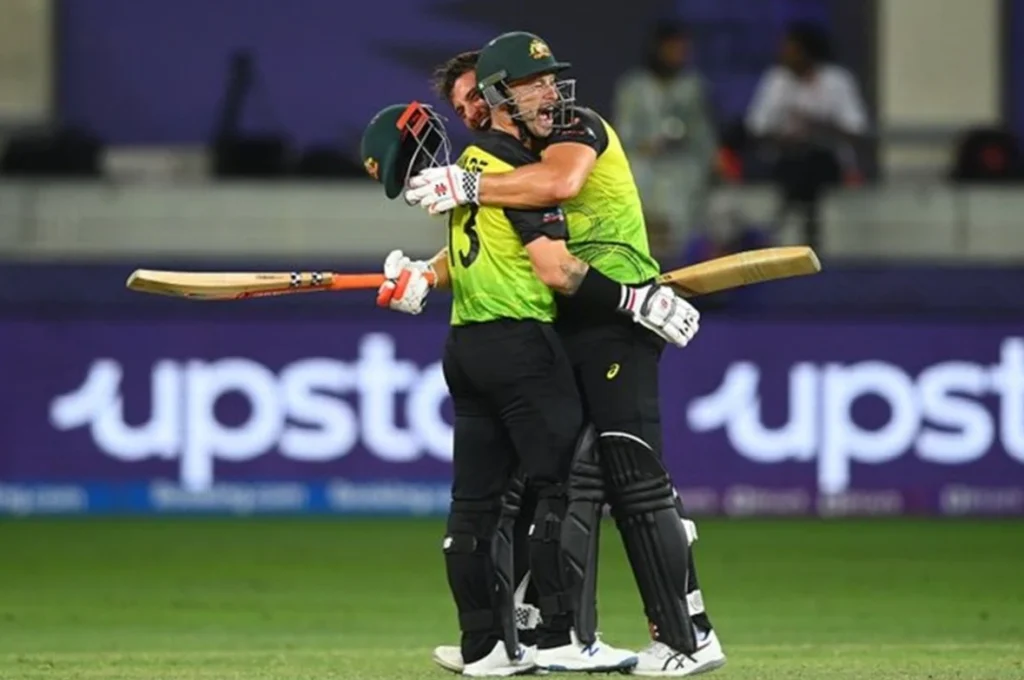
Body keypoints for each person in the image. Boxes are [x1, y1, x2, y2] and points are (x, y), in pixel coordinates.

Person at [396, 32, 725, 676]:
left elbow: (558, 184)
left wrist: (468, 184)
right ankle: (530, 637)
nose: (550, 92)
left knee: (633, 480)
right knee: (556, 483)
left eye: (546, 81)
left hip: (613, 309)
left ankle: (688, 638)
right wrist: (428, 273)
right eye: (534, 84)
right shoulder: (505, 160)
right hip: (565, 320)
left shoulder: (576, 128)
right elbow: (508, 238)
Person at [745, 21, 868, 250]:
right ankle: (809, 235)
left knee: (811, 163)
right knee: (798, 163)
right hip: (785, 158)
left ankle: (784, 225)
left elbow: (856, 129)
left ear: (808, 52)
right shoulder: (776, 80)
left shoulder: (837, 81)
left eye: (792, 51)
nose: (785, 56)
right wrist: (787, 135)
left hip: (827, 158)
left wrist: (817, 126)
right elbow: (756, 127)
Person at [612, 19, 718, 256]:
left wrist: (713, 160)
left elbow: (703, 136)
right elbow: (623, 133)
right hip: (644, 163)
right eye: (673, 49)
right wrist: (648, 144)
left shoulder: (693, 87)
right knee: (635, 175)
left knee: (694, 188)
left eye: (683, 50)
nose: (678, 55)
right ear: (658, 49)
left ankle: (683, 260)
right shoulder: (633, 86)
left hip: (682, 165)